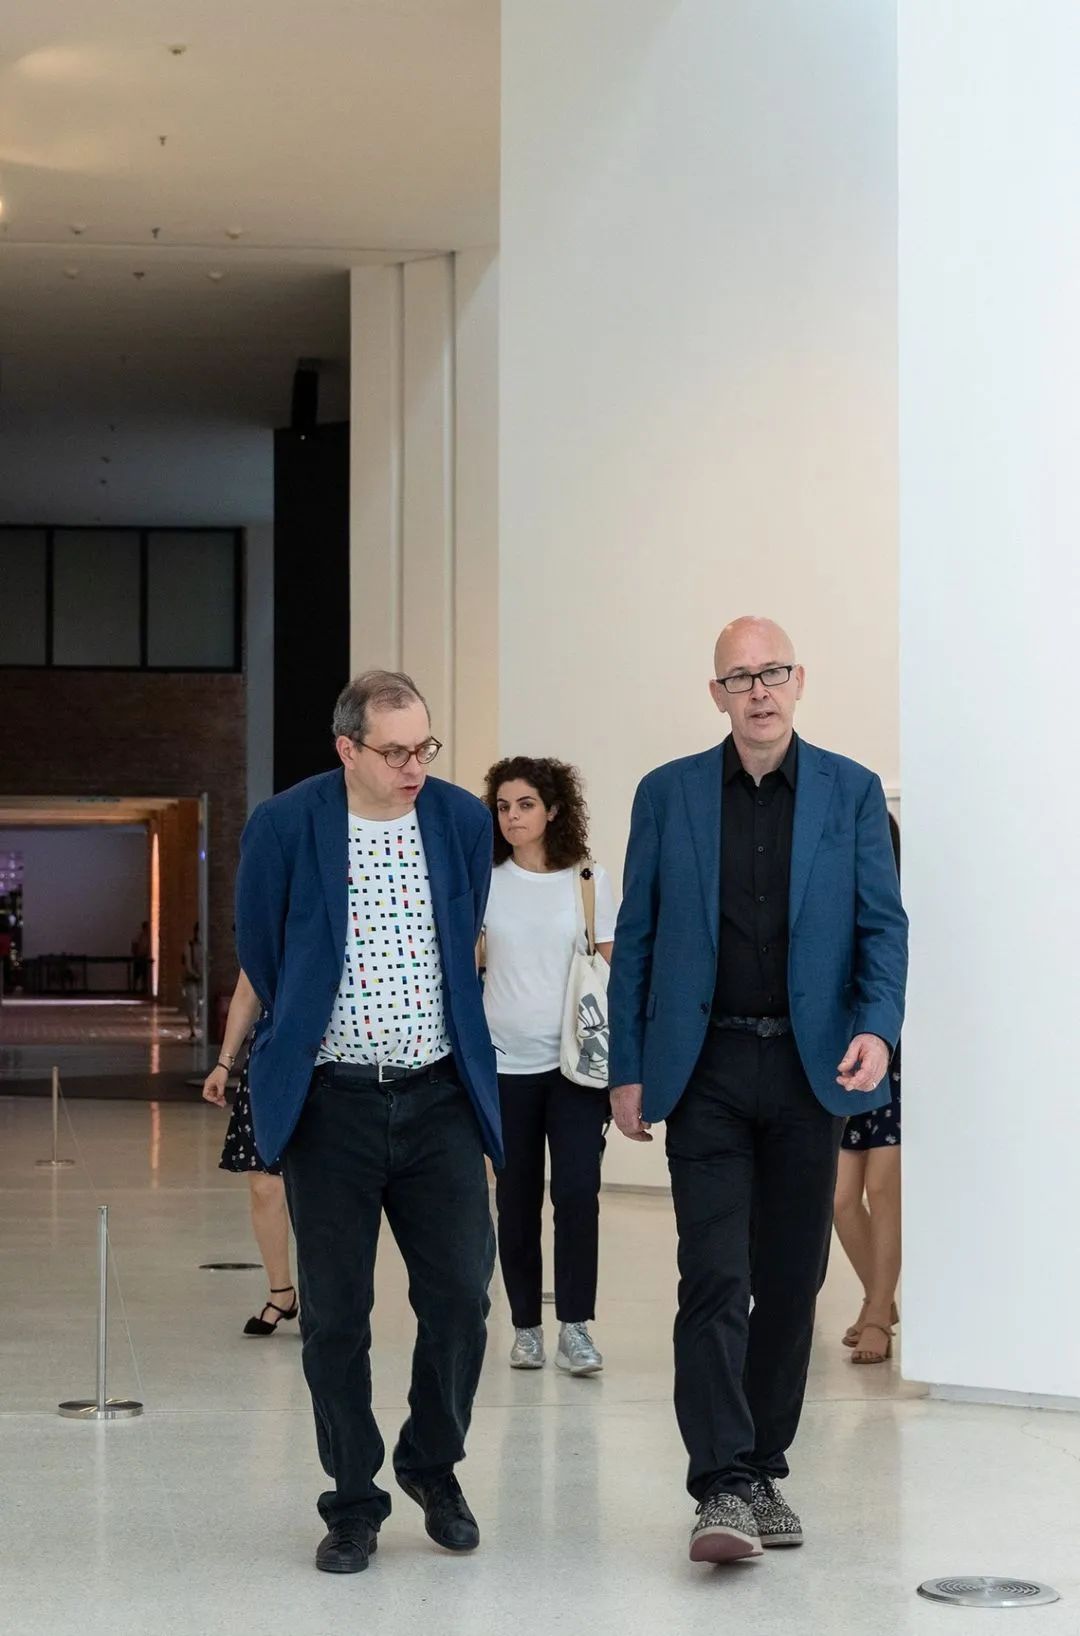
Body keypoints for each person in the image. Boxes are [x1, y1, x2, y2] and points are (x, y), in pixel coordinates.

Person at [607, 616, 907, 1567]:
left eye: (773, 672)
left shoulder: (852, 792)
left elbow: (882, 927)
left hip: (809, 1071)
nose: (759, 690)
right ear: (717, 695)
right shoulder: (668, 794)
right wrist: (626, 1065)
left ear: (799, 680)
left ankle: (763, 1467)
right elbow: (636, 936)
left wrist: (877, 1027)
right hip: (706, 1068)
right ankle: (721, 1483)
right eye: (739, 677)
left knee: (791, 1278)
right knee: (713, 1275)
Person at [235, 669, 500, 1576]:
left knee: (462, 1295)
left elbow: (464, 937)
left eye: (425, 747)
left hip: (439, 1098)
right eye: (394, 752)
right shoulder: (284, 825)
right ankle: (353, 1499)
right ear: (347, 748)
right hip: (332, 1104)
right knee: (337, 1316)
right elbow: (263, 948)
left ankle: (432, 1462)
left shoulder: (460, 820)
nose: (414, 766)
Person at [481, 756, 617, 1377]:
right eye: (503, 806)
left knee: (578, 1194)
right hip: (505, 1066)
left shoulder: (588, 880)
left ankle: (576, 1328)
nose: (512, 817)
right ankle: (525, 1328)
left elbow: (612, 973)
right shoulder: (485, 880)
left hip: (575, 1068)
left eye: (526, 804)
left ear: (554, 809)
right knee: (515, 1202)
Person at [833, 812, 903, 1365]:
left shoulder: (896, 907)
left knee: (882, 1191)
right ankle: (879, 1298)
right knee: (838, 1199)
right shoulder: (832, 897)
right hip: (840, 1056)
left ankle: (877, 1312)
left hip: (894, 1059)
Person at [202, 969, 297, 1338]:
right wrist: (223, 1064)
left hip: (326, 1061)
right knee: (264, 1186)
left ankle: (322, 1296)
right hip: (271, 1062)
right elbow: (246, 993)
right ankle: (281, 1292)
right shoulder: (270, 931)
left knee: (320, 1192)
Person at [181, 923, 202, 1040]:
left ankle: (198, 1028)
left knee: (200, 1005)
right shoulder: (189, 946)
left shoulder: (205, 946)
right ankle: (192, 1029)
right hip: (191, 979)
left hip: (201, 979)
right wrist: (196, 974)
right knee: (192, 1005)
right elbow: (188, 965)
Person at [132, 921, 151, 995]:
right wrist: (136, 954)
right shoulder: (139, 936)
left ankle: (144, 988)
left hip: (144, 957)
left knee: (144, 973)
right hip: (139, 957)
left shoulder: (147, 937)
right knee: (137, 973)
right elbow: (135, 945)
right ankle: (134, 988)